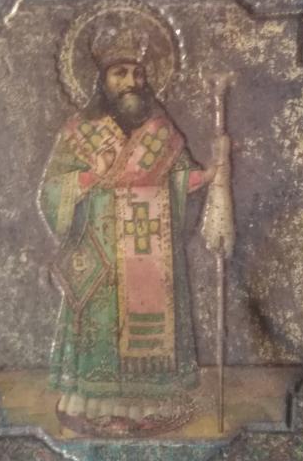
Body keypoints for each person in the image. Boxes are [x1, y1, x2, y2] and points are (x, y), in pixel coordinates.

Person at [39, 23, 218, 436]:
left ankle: (149, 408)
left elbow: (179, 176)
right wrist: (90, 176)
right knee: (103, 329)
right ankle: (95, 409)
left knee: (152, 330)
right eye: (120, 73)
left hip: (150, 249)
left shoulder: (161, 130)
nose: (131, 81)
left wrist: (208, 176)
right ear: (101, 79)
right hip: (99, 252)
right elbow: (51, 192)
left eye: (137, 72)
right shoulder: (79, 132)